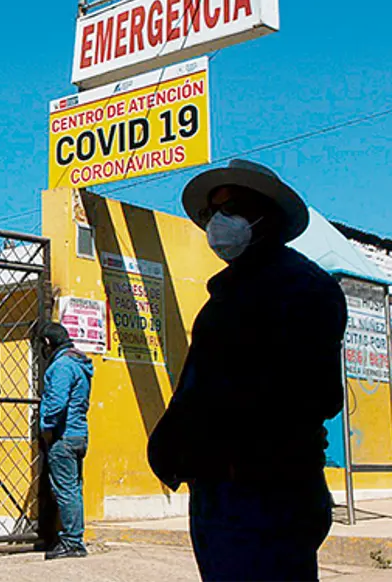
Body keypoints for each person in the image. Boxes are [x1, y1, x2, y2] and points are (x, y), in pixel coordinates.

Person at [147, 160, 348, 581]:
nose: (217, 222)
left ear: (266, 216)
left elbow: (313, 392)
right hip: (221, 488)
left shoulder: (303, 287)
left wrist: (221, 439)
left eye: (232, 208)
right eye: (211, 213)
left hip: (265, 491)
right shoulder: (227, 292)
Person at [37, 323, 93, 560]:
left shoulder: (61, 366)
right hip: (78, 433)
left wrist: (46, 428)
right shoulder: (79, 364)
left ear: (47, 343)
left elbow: (57, 403)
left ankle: (72, 542)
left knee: (66, 490)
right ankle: (74, 537)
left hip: (64, 435)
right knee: (74, 488)